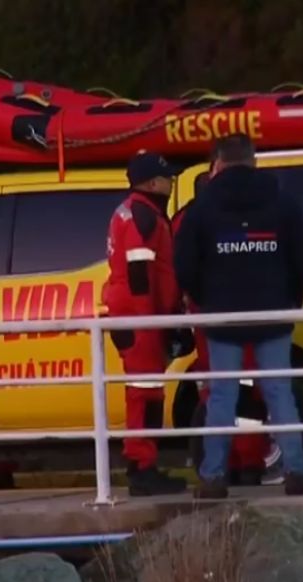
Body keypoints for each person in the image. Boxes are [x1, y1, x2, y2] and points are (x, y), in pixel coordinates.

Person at [173, 133, 303, 499]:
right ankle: (297, 472)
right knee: (279, 394)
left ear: (219, 163)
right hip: (272, 313)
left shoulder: (202, 207)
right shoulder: (283, 203)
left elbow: (185, 266)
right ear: (254, 161)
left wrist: (207, 300)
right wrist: (287, 297)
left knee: (221, 396)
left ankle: (213, 477)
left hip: (222, 317)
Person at [104, 151, 188, 497]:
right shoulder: (143, 215)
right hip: (141, 319)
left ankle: (143, 464)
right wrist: (156, 321)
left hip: (136, 316)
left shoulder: (135, 211)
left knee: (146, 394)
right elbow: (139, 273)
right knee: (145, 395)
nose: (171, 183)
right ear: (153, 183)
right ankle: (141, 468)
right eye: (168, 179)